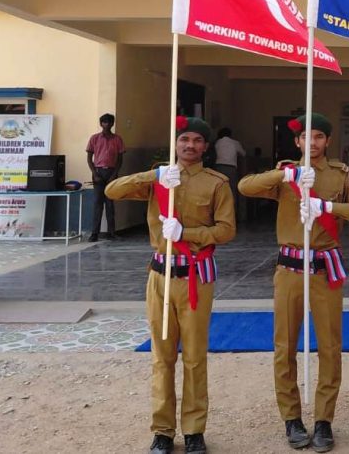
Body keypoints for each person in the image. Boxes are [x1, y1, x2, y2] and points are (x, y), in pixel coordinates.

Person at [238, 112, 349, 453]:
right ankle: (291, 418)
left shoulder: (341, 174)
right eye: (306, 137)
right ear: (297, 142)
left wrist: (326, 206)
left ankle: (324, 420)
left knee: (330, 346)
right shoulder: (285, 173)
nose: (312, 142)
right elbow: (245, 186)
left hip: (325, 268)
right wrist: (288, 174)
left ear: (328, 141)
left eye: (319, 136)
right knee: (284, 346)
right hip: (290, 268)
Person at [105, 116, 236, 454]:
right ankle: (162, 431)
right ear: (175, 144)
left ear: (206, 147)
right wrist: (156, 175)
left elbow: (226, 230)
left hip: (195, 276)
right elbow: (112, 190)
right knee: (162, 357)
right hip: (160, 276)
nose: (190, 145)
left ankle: (194, 430)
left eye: (197, 140)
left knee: (194, 357)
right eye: (184, 139)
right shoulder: (159, 179)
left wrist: (186, 233)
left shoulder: (216, 183)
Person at [85, 113, 125, 241]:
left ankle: (111, 232)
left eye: (109, 122)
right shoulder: (94, 138)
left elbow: (120, 160)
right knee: (98, 203)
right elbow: (89, 158)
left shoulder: (117, 139)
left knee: (110, 204)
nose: (107, 124)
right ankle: (94, 233)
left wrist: (114, 175)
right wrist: (94, 173)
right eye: (104, 122)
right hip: (98, 172)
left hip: (111, 172)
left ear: (113, 124)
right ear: (101, 124)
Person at [213, 127, 246, 218]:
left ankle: (218, 215)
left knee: (218, 192)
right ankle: (232, 216)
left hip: (218, 168)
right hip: (231, 168)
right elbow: (243, 153)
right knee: (231, 192)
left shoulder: (217, 143)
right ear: (230, 134)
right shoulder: (235, 143)